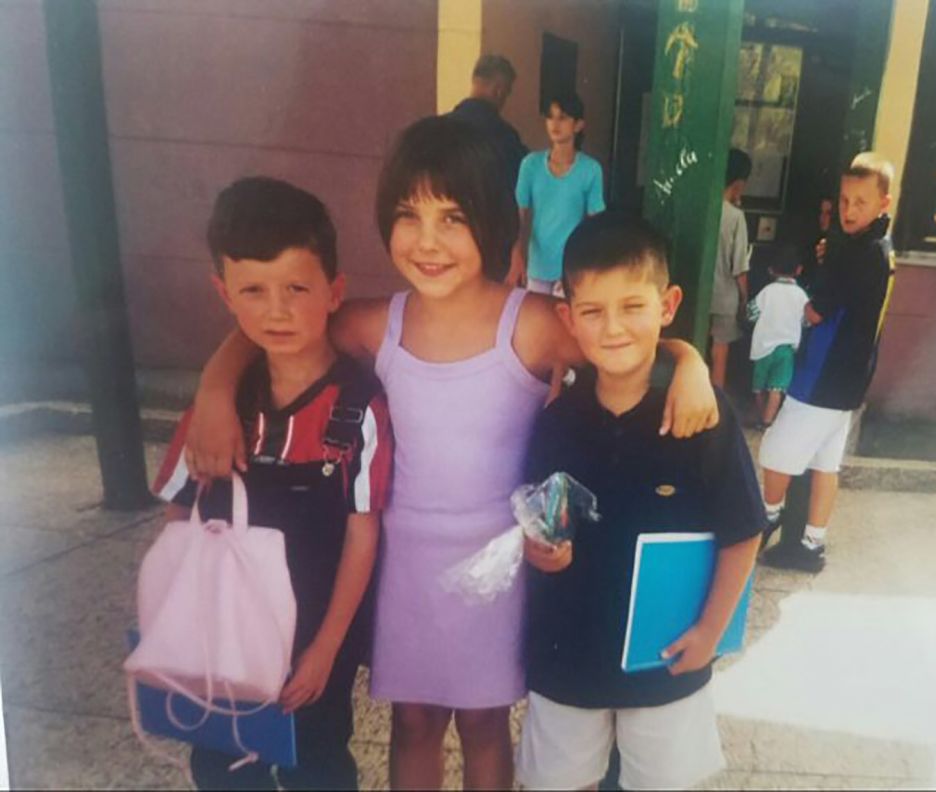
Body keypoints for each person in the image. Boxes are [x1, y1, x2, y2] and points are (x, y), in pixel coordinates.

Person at [181, 117, 720, 790]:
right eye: (409, 215)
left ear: (493, 221)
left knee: (485, 724)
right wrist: (215, 386)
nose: (428, 242)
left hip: (498, 565)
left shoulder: (527, 324)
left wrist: (687, 358)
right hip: (402, 560)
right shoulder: (376, 323)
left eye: (453, 217)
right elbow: (276, 328)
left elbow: (622, 343)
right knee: (412, 724)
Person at [151, 177, 392, 790]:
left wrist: (328, 648)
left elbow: (363, 536)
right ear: (223, 294)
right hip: (220, 636)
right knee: (222, 765)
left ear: (334, 292)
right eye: (253, 290)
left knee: (318, 764)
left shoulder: (357, 406)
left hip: (311, 640)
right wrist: (169, 615)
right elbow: (176, 520)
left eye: (296, 288)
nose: (277, 310)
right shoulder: (215, 413)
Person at [516, 212, 764, 790]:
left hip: (666, 659)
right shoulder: (557, 419)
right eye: (592, 311)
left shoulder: (701, 415)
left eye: (633, 306)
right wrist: (540, 550)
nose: (613, 328)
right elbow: (541, 521)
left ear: (667, 304)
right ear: (567, 317)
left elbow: (743, 531)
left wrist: (710, 631)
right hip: (568, 657)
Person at [759, 153, 897, 573]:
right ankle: (811, 544)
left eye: (860, 202)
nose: (849, 210)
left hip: (822, 374)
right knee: (824, 463)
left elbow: (818, 310)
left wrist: (820, 274)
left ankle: (768, 515)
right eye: (843, 201)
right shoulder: (879, 249)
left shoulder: (857, 253)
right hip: (850, 379)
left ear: (883, 204)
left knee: (775, 451)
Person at [509, 91, 605, 295]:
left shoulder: (590, 169)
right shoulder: (531, 165)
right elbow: (519, 213)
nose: (555, 123)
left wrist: (587, 264)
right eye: (550, 117)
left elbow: (596, 222)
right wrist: (516, 253)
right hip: (538, 267)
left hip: (571, 267)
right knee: (537, 322)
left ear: (578, 125)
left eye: (562, 117)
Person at [448, 54, 528, 196]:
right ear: (499, 90)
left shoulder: (441, 128)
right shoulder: (505, 136)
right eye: (507, 91)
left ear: (474, 80)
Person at [747, 249, 808, 428]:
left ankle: (761, 415)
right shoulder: (801, 295)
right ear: (799, 270)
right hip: (786, 349)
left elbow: (751, 314)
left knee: (759, 387)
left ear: (771, 270)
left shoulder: (767, 292)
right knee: (777, 388)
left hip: (762, 347)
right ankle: (768, 421)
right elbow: (807, 320)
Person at [709, 149, 752, 387]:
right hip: (725, 299)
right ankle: (716, 401)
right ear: (738, 184)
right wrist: (745, 299)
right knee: (720, 354)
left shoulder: (704, 210)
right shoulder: (736, 217)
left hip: (701, 294)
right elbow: (740, 269)